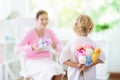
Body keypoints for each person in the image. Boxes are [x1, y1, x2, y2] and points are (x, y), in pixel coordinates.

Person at [15, 10, 64, 80]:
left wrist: (55, 46)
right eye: (42, 19)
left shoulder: (50, 32)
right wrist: (31, 48)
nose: (45, 21)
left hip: (47, 60)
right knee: (49, 71)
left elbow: (62, 47)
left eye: (46, 19)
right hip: (33, 61)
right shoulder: (30, 32)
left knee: (58, 70)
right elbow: (17, 48)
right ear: (36, 20)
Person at [59, 14, 106, 80]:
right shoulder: (92, 43)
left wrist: (77, 66)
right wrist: (88, 65)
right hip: (90, 77)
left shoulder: (71, 43)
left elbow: (62, 59)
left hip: (74, 76)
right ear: (90, 28)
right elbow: (102, 57)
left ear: (75, 27)